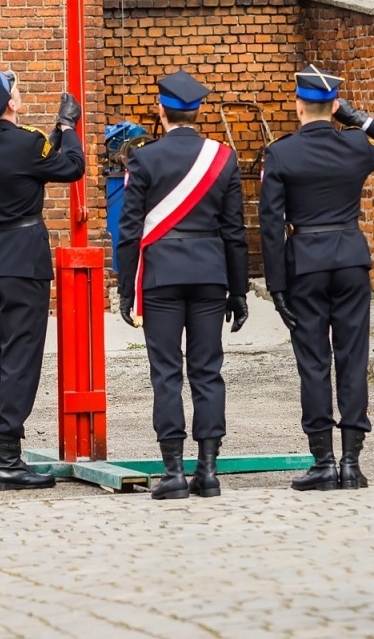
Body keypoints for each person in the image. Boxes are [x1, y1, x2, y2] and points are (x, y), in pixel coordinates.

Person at [259, 64, 374, 491]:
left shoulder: (281, 153)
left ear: (297, 105)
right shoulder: (354, 146)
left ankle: (323, 462)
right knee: (352, 359)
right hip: (349, 259)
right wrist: (358, 118)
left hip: (305, 264)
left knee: (313, 361)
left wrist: (276, 286)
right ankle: (351, 463)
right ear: (334, 107)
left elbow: (270, 225)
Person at [115, 70, 249, 500]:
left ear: (161, 110)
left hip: (161, 277)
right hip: (211, 274)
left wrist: (124, 289)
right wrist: (240, 290)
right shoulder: (222, 158)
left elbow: (129, 230)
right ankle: (208, 472)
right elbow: (234, 231)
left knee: (167, 375)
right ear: (199, 111)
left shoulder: (143, 158)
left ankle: (172, 472)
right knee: (208, 373)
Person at [0, 68, 84, 491]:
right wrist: (67, 127)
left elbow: (21, 158)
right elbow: (70, 168)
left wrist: (48, 136)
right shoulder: (28, 143)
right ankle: (9, 457)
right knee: (19, 359)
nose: (20, 94)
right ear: (9, 103)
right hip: (23, 260)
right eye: (16, 91)